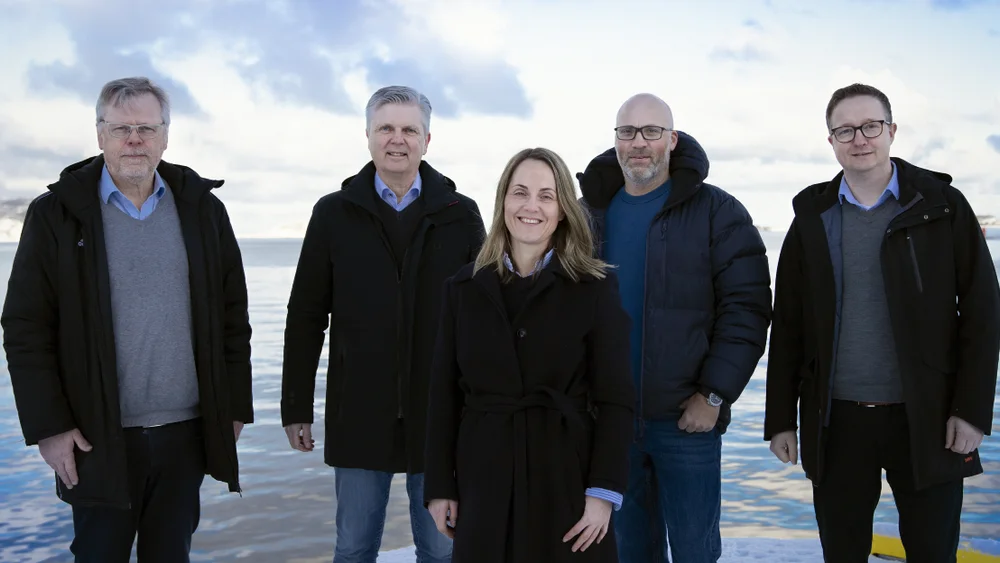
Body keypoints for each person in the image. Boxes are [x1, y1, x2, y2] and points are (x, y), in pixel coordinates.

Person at [1, 76, 253, 562]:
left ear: (165, 135)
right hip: (96, 434)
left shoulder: (203, 211)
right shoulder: (57, 214)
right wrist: (49, 426)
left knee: (170, 554)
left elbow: (232, 319)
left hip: (186, 432)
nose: (134, 140)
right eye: (120, 129)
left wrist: (233, 408)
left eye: (145, 128)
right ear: (100, 135)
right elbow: (25, 327)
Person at [764, 83, 1000, 563]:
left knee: (934, 551)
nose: (860, 139)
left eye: (871, 126)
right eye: (845, 130)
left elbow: (982, 311)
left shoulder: (942, 205)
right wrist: (780, 419)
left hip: (929, 415)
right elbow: (787, 323)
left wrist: (972, 410)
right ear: (830, 140)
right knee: (843, 553)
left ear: (891, 131)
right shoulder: (812, 216)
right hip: (837, 418)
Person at [280, 85, 486, 563]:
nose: (398, 139)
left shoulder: (461, 214)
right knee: (353, 548)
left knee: (441, 549)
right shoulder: (332, 213)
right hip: (359, 412)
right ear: (368, 136)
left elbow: (483, 320)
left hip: (441, 415)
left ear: (427, 140)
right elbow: (306, 315)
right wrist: (295, 405)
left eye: (409, 129)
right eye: (386, 128)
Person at [576, 93, 772, 563]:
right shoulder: (585, 214)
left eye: (651, 132)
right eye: (628, 132)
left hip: (687, 422)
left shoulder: (717, 211)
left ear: (672, 139)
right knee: (627, 553)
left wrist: (715, 395)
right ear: (616, 141)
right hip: (610, 423)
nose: (638, 143)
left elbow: (747, 309)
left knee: (694, 552)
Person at [423, 147, 635, 562]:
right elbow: (442, 395)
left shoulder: (594, 288)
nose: (531, 206)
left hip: (566, 477)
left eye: (546, 195)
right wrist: (439, 487)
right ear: (503, 201)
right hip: (483, 476)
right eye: (520, 192)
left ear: (562, 210)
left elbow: (616, 399)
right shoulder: (462, 289)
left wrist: (603, 493)